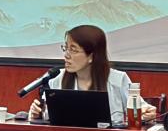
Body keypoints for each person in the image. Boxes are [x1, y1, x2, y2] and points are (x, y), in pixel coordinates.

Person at [28, 25, 157, 124]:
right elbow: (46, 117)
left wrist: (147, 113)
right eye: (66, 48)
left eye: (73, 50)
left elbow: (141, 109)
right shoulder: (56, 78)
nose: (66, 55)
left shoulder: (118, 79)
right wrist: (36, 114)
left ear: (92, 56)